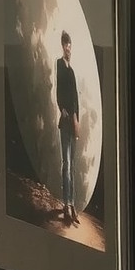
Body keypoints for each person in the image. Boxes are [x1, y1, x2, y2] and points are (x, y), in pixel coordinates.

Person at [55, 30, 79, 226]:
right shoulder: (60, 65)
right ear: (62, 46)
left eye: (70, 46)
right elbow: (59, 91)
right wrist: (62, 108)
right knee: (67, 165)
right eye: (66, 45)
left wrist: (76, 120)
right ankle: (66, 205)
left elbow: (76, 99)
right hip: (64, 121)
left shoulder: (71, 70)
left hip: (73, 123)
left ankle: (72, 204)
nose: (68, 48)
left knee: (73, 165)